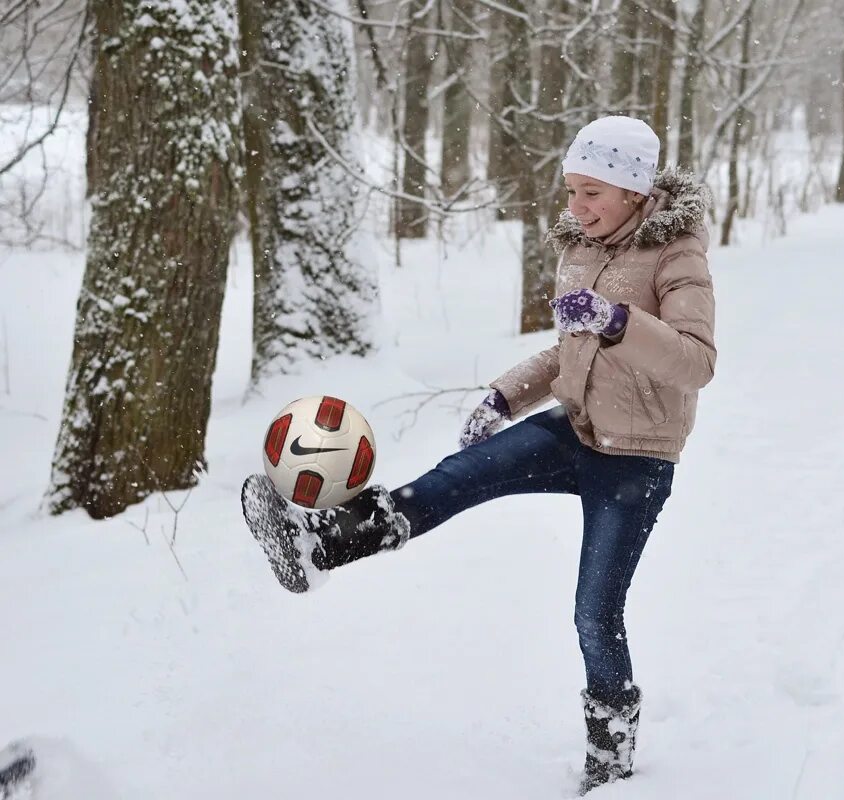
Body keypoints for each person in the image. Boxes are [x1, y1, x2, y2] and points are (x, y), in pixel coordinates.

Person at [240, 115, 717, 795]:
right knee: (457, 477)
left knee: (594, 613)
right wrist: (505, 397)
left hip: (638, 460)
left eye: (592, 193)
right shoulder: (580, 249)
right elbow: (569, 350)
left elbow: (696, 364)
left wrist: (618, 321)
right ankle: (323, 543)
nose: (576, 208)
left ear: (636, 190)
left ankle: (610, 762)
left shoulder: (678, 255)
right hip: (575, 428)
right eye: (571, 191)